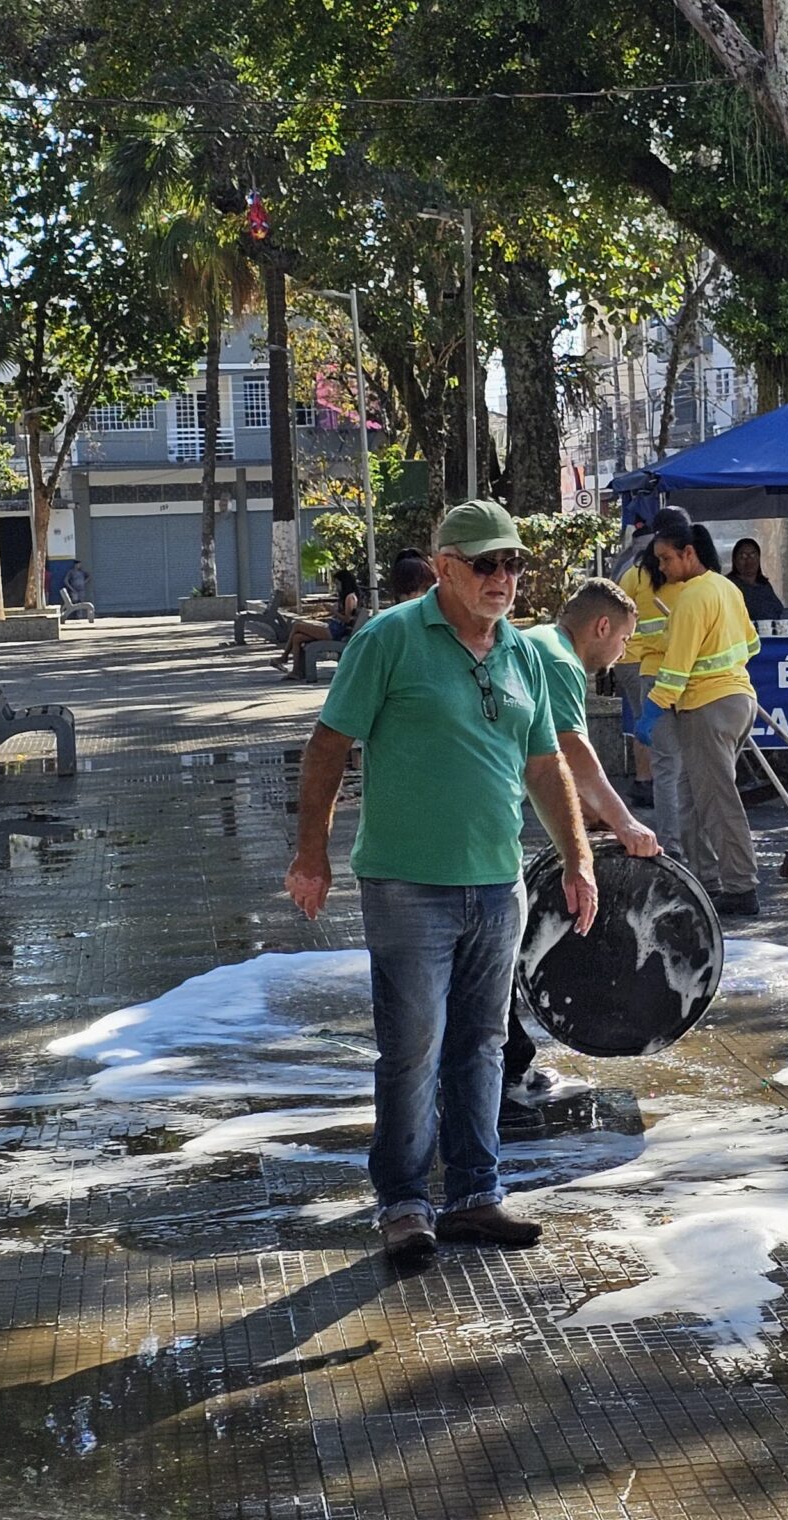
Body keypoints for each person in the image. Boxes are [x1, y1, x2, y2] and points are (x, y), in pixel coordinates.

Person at [285, 500, 595, 1264]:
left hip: (497, 883)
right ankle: (404, 1202)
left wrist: (581, 858)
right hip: (405, 885)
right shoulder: (390, 638)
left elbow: (545, 763)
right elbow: (328, 747)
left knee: (482, 1046)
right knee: (413, 1047)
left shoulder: (521, 653)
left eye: (513, 564)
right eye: (486, 564)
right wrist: (311, 856)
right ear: (446, 566)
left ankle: (475, 1196)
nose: (503, 578)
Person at [506, 579, 664, 1109]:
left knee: (492, 943)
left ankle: (508, 1060)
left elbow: (549, 762)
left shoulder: (539, 643)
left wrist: (585, 822)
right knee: (493, 942)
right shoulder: (561, 660)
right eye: (622, 641)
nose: (620, 655)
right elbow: (574, 754)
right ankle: (506, 1070)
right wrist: (626, 824)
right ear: (601, 627)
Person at [637, 507, 761, 915]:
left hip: (707, 707)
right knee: (696, 798)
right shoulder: (726, 590)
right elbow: (752, 645)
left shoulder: (692, 597)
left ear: (689, 554)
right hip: (737, 701)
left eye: (667, 559)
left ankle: (740, 888)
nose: (662, 566)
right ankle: (708, 880)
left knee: (718, 801)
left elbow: (675, 670)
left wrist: (652, 711)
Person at [614, 516, 666, 811]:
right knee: (646, 722)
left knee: (642, 719)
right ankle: (646, 781)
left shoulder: (627, 568)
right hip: (638, 658)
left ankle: (645, 779)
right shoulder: (644, 573)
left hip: (631, 658)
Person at [280, 567, 361, 680]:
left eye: (337, 583)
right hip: (333, 628)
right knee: (297, 638)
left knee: (297, 625)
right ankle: (296, 671)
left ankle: (284, 657)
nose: (337, 587)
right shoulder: (345, 597)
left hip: (334, 632)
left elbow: (347, 619)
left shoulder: (349, 597)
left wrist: (333, 611)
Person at [728, 537, 785, 623]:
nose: (749, 560)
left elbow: (778, 610)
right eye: (743, 556)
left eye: (753, 555)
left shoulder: (764, 585)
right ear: (735, 560)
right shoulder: (728, 585)